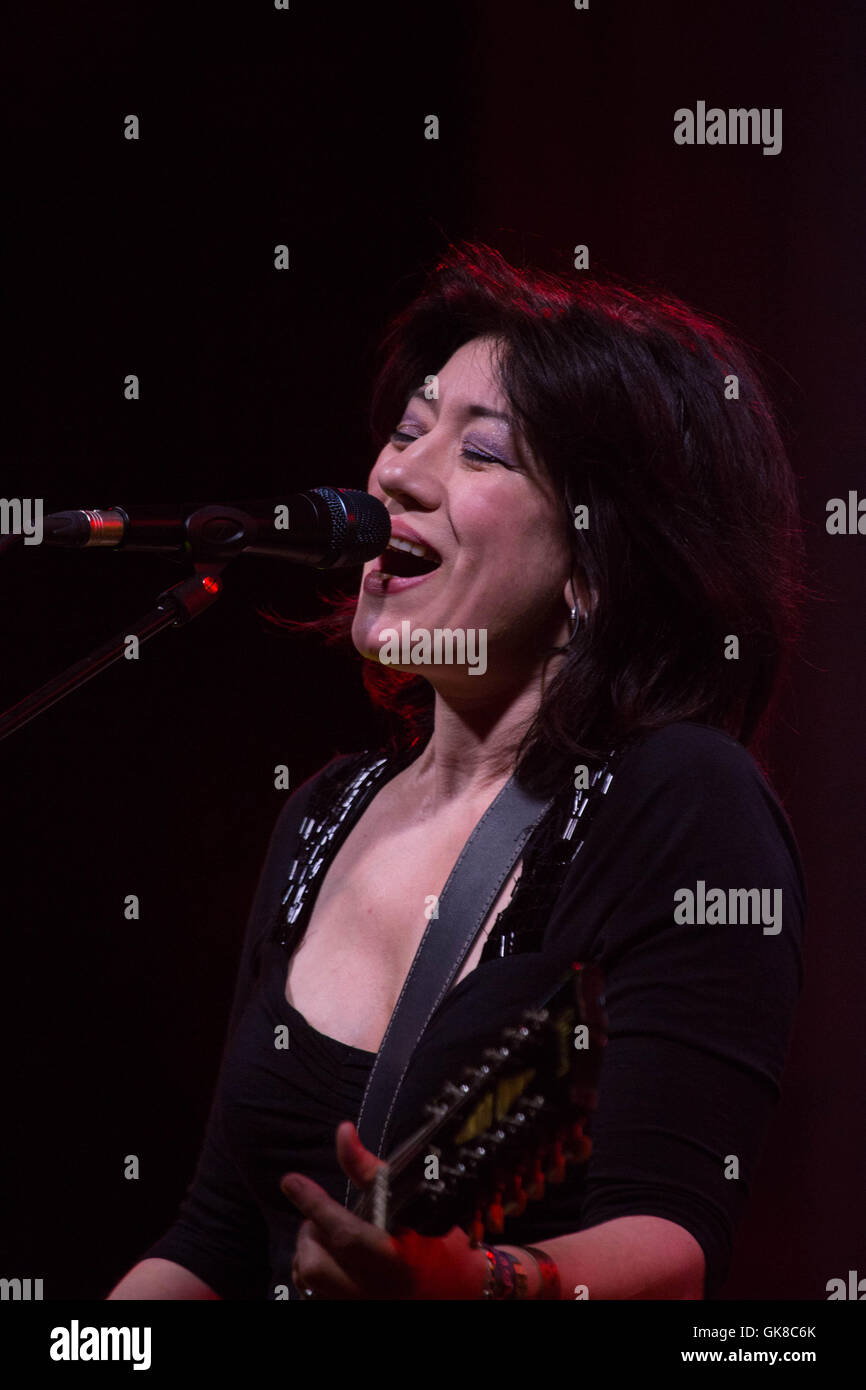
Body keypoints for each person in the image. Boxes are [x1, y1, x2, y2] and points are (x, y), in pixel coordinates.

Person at [107, 243, 806, 1301]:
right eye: (403, 432)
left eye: (480, 452)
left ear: (594, 562)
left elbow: (666, 1240)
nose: (394, 474)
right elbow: (215, 1232)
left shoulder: (677, 799)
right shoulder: (322, 818)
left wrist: (472, 1286)